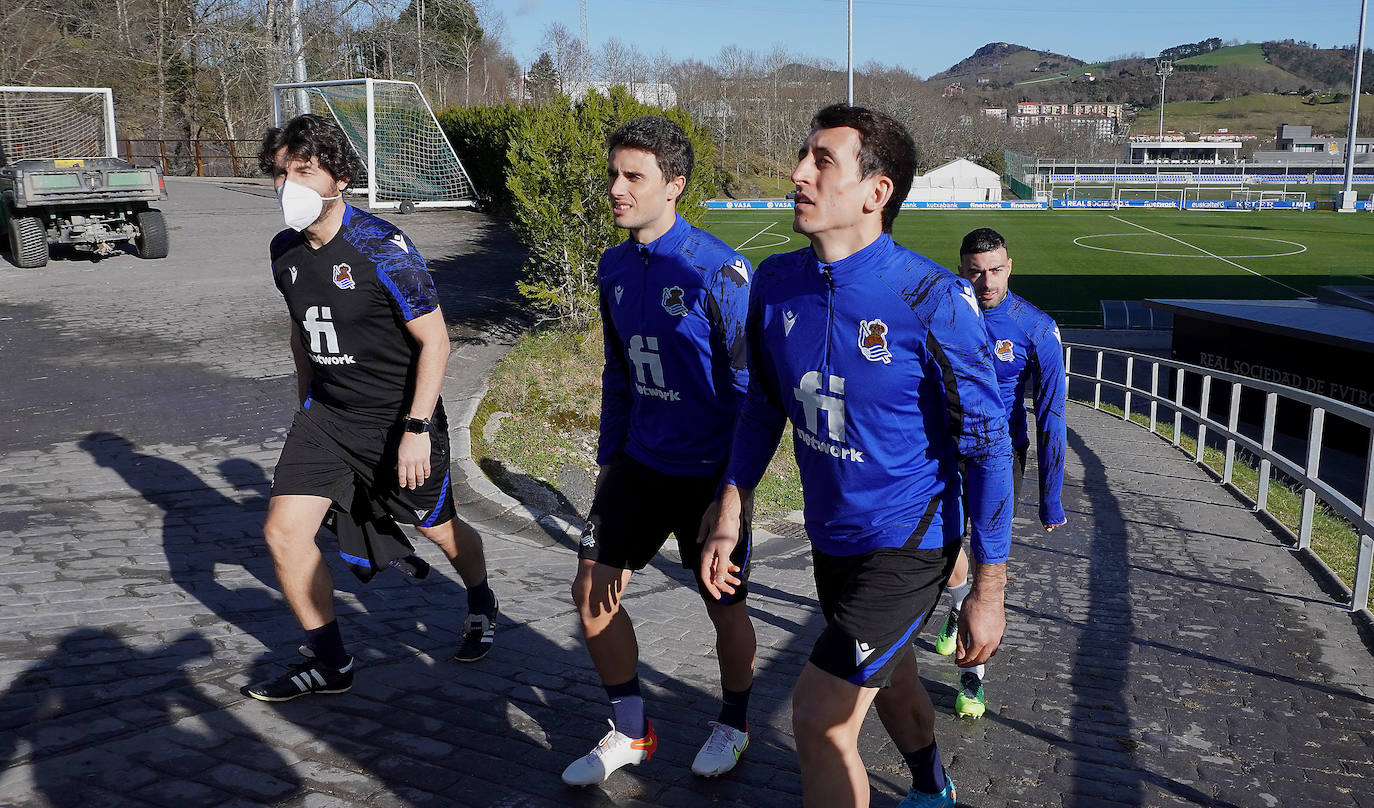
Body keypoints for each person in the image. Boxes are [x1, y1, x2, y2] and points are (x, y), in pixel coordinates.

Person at [701, 104, 1015, 808]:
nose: (797, 173)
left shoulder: (931, 298)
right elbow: (763, 407)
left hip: (909, 540)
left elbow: (989, 447)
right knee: (892, 676)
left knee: (819, 717)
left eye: (822, 161)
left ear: (877, 191)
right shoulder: (775, 282)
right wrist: (730, 508)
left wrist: (988, 591)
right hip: (832, 535)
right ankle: (932, 788)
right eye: (803, 156)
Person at [245, 114, 499, 702]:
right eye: (280, 174)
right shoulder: (283, 250)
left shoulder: (382, 247)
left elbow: (436, 342)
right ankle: (331, 663)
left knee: (437, 528)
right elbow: (301, 332)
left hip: (396, 420)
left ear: (340, 177)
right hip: (326, 418)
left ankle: (481, 598)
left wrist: (416, 427)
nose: (288, 186)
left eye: (304, 172)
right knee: (283, 533)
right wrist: (306, 404)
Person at [560, 116, 758, 786]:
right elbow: (618, 371)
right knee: (591, 591)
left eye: (633, 177)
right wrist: (607, 463)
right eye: (613, 174)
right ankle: (631, 730)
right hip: (640, 464)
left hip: (710, 475)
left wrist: (730, 497)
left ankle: (734, 723)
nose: (617, 188)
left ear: (674, 185)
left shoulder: (720, 272)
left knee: (723, 605)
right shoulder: (613, 266)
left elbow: (752, 395)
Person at [932, 228, 1068, 719]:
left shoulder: (1036, 328)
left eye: (995, 270)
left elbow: (1052, 415)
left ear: (1010, 267)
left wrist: (1050, 498)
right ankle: (956, 606)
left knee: (988, 567)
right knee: (945, 546)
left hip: (1000, 456)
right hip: (941, 449)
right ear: (961, 271)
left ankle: (973, 679)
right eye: (975, 272)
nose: (987, 282)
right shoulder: (940, 314)